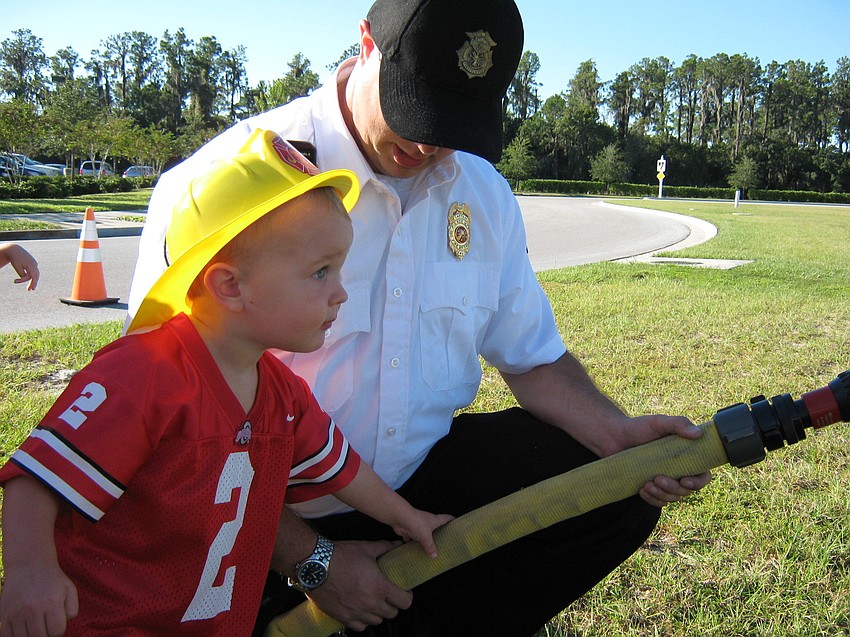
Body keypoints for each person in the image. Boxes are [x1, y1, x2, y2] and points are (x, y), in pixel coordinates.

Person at [126, 1, 713, 635]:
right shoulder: (228, 183)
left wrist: (615, 437)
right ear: (365, 43)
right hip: (255, 504)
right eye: (417, 104)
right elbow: (168, 421)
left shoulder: (482, 192)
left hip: (413, 488)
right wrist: (311, 558)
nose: (431, 142)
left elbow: (533, 358)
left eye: (456, 120)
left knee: (607, 487)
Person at [0, 129, 452, 637]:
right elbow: (37, 480)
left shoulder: (281, 393)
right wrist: (30, 571)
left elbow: (340, 467)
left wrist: (407, 517)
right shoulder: (144, 374)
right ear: (230, 286)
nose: (341, 294)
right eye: (321, 272)